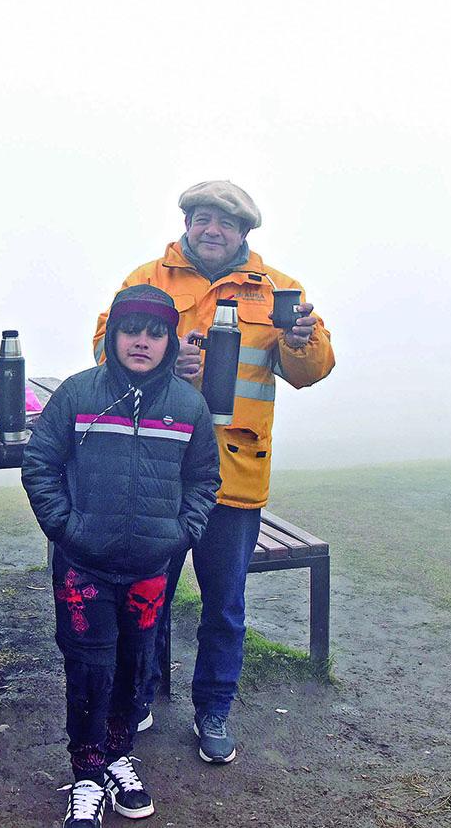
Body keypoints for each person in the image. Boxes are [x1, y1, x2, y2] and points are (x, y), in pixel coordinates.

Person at [92, 180, 335, 763]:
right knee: (147, 594)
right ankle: (141, 692)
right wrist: (170, 356)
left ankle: (214, 708)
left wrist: (300, 342)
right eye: (202, 218)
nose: (211, 230)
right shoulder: (145, 279)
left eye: (224, 223)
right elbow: (104, 349)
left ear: (244, 234)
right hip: (161, 468)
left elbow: (313, 371)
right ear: (186, 222)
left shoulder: (279, 291)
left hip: (235, 474)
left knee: (225, 604)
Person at [23, 285, 219, 828]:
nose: (142, 342)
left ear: (170, 340)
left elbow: (204, 478)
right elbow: (40, 462)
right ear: (112, 334)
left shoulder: (187, 405)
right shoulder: (79, 394)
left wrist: (180, 534)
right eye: (131, 330)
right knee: (89, 668)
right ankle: (86, 774)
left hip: (149, 571)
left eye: (156, 333)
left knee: (137, 668)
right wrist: (65, 527)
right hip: (83, 566)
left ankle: (118, 756)